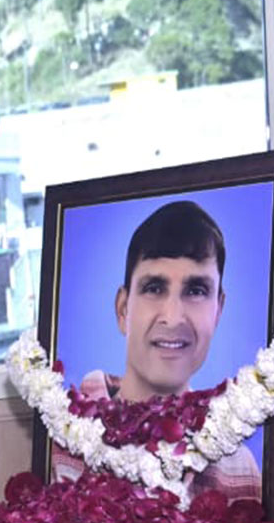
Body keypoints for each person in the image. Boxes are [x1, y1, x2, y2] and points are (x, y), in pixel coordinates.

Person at [51, 198, 262, 501]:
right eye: (154, 288)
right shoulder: (63, 431)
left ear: (218, 311)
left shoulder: (237, 466)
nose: (173, 317)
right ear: (123, 309)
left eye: (196, 291)